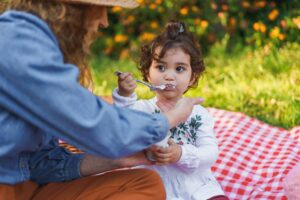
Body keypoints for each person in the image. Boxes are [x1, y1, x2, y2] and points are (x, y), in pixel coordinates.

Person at [0, 1, 203, 199]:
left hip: (29, 184)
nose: (105, 21)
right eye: (102, 8)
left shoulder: (38, 46)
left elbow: (39, 163)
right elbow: (100, 127)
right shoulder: (16, 42)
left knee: (144, 183)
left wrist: (120, 160)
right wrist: (170, 118)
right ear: (72, 8)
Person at [113, 21, 229, 200]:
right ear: (147, 73)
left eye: (179, 69)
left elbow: (210, 153)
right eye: (161, 67)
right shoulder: (143, 109)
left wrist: (181, 154)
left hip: (196, 187)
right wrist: (124, 94)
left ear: (192, 77)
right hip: (154, 187)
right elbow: (122, 122)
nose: (168, 75)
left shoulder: (198, 114)